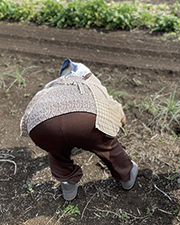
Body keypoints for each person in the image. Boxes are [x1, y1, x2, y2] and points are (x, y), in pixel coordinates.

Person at [20, 59, 138, 200]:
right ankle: (127, 175)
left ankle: (68, 185)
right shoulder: (90, 81)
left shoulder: (53, 85)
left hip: (40, 124)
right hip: (83, 118)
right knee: (106, 145)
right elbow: (117, 112)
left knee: (57, 153)